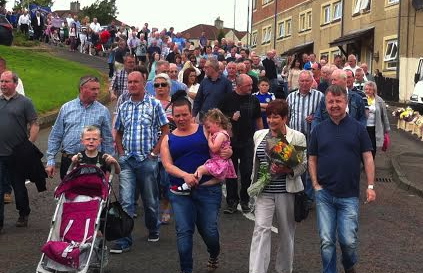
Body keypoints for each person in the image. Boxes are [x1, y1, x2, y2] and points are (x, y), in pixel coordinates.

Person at [308, 84, 376, 273]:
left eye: (338, 101)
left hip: (349, 195)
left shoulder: (358, 129)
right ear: (325, 103)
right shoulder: (319, 130)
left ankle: (349, 264)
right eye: (330, 101)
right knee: (327, 241)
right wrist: (315, 184)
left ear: (346, 102)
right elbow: (312, 158)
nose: (334, 105)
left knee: (348, 241)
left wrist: (370, 185)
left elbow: (368, 157)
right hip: (324, 195)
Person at [161, 98, 232, 273]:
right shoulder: (168, 139)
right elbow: (167, 165)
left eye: (185, 114)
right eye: (177, 115)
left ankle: (213, 254)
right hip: (179, 192)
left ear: (192, 114)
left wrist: (229, 152)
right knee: (184, 232)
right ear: (172, 117)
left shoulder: (205, 130)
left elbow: (222, 143)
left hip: (208, 189)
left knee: (209, 232)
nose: (181, 118)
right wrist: (185, 175)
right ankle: (186, 269)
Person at [112, 71, 169, 253]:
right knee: (126, 202)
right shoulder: (124, 106)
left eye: (136, 82)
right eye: (129, 82)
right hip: (127, 161)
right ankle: (124, 240)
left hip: (147, 161)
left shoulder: (154, 105)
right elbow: (118, 131)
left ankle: (153, 227)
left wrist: (154, 153)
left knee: (150, 202)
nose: (132, 85)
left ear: (144, 83)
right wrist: (120, 152)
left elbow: (165, 130)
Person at [249, 99, 307, 273]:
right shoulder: (259, 135)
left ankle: (283, 269)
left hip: (286, 191)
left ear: (285, 118)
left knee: (286, 234)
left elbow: (302, 165)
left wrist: (286, 169)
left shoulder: (297, 137)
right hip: (264, 190)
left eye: (276, 117)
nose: (272, 121)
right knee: (260, 230)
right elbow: (257, 163)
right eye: (269, 117)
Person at [45, 75, 114, 180]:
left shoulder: (103, 111)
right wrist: (50, 160)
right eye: (93, 89)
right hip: (69, 160)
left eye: (98, 89)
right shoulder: (66, 108)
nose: (97, 92)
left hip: (93, 162)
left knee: (92, 195)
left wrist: (108, 166)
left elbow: (108, 140)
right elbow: (56, 135)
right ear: (82, 88)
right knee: (67, 194)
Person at [0, 71, 40, 229]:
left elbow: (34, 124)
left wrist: (29, 143)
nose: (3, 84)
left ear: (15, 84)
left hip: (17, 154)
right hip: (0, 154)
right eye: (1, 81)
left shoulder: (25, 102)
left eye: (6, 81)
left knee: (18, 187)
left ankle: (24, 213)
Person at [219, 74, 263, 214]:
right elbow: (218, 118)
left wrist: (262, 136)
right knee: (231, 174)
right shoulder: (226, 99)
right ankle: (232, 202)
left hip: (248, 141)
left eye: (251, 85)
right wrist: (231, 117)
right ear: (238, 85)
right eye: (248, 85)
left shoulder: (253, 100)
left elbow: (258, 119)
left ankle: (245, 200)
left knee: (247, 172)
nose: (251, 87)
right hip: (230, 142)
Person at [170, 108, 237, 195]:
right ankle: (194, 185)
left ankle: (187, 186)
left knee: (200, 170)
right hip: (217, 161)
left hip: (218, 162)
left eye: (209, 127)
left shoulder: (221, 134)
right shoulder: (218, 133)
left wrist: (209, 139)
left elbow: (214, 148)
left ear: (217, 123)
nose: (208, 130)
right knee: (210, 180)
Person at [364, 81, 390, 158]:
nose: (367, 91)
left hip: (374, 127)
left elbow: (384, 115)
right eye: (366, 89)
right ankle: (365, 162)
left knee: (372, 146)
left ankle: (371, 162)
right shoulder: (361, 98)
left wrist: (386, 128)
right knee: (363, 146)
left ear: (374, 90)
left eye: (370, 89)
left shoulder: (379, 100)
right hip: (363, 127)